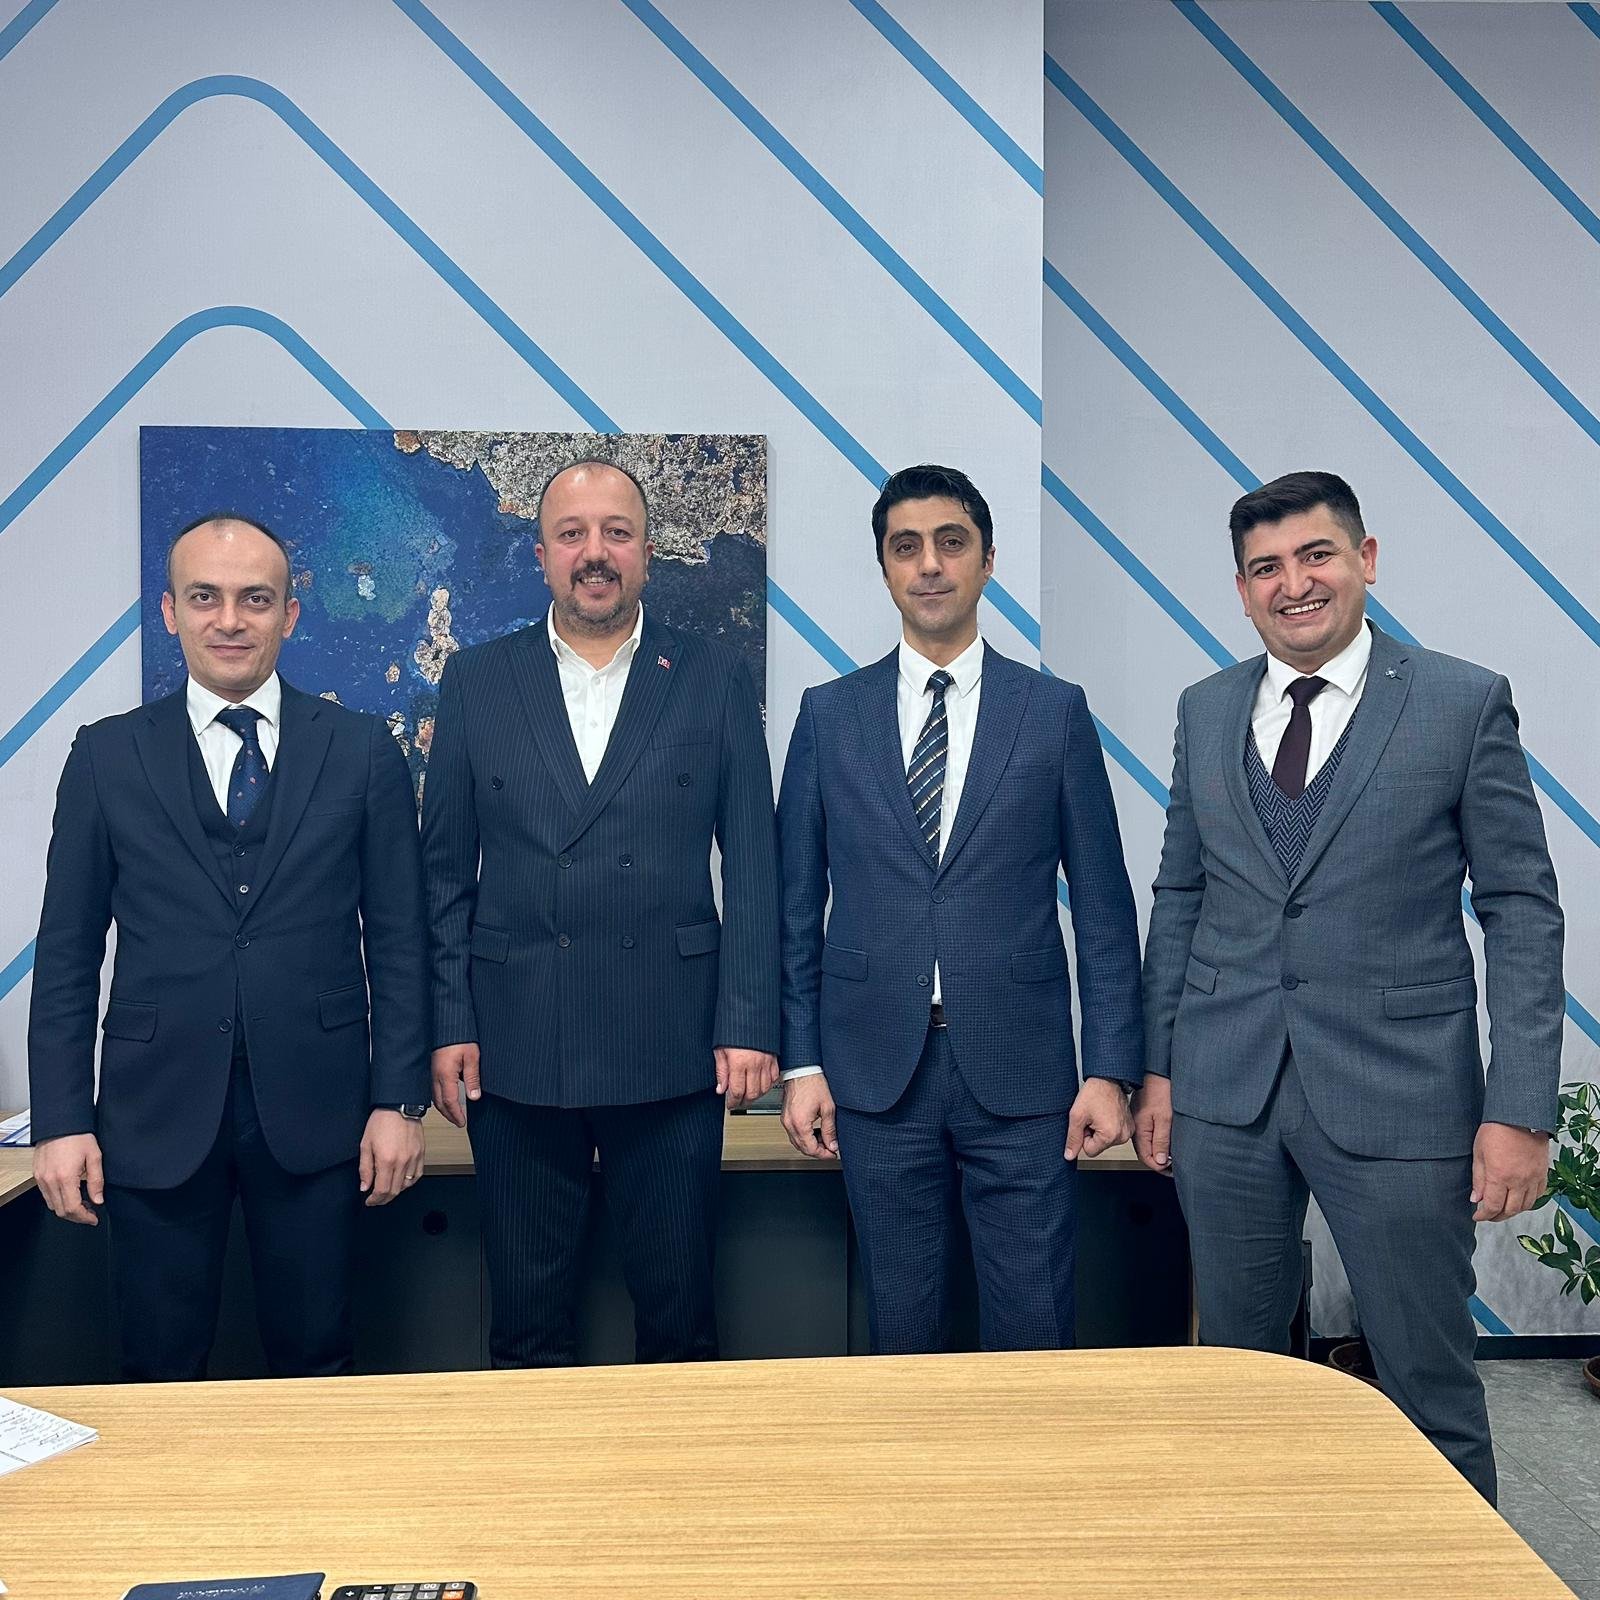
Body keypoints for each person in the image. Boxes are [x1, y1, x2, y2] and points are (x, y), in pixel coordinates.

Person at [1136, 470, 1564, 1502]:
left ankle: (1453, 1571)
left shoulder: (1462, 702)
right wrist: (1159, 1071)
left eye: (1316, 555)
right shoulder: (1205, 707)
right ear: (1242, 590)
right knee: (1239, 1380)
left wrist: (1518, 1108)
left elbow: (1521, 909)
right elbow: (1181, 896)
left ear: (1365, 560)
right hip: (1225, 1095)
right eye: (1265, 568)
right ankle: (1264, 1559)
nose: (1294, 584)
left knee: (1425, 1381)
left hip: (1402, 1091)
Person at [29, 513, 430, 1381]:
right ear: (169, 612)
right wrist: (61, 1121)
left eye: (255, 599)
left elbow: (403, 944)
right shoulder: (105, 756)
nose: (230, 620)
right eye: (205, 597)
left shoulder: (362, 752)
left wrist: (399, 1103)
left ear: (290, 614)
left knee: (317, 1363)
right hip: (154, 1114)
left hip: (320, 1114)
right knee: (157, 1369)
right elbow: (65, 956)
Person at [777, 463, 1143, 1352]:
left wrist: (1111, 1069)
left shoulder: (1053, 713)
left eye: (951, 543)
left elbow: (1104, 910)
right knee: (902, 1331)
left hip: (1024, 1073)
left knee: (1034, 1327)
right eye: (907, 548)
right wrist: (802, 1063)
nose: (930, 564)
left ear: (987, 561)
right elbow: (794, 909)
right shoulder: (829, 716)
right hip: (873, 1073)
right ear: (885, 568)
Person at [422, 458, 779, 1367]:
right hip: (515, 1048)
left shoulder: (714, 676)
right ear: (541, 554)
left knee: (679, 1321)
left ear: (648, 553)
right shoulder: (476, 679)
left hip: (672, 1042)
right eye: (572, 534)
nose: (595, 552)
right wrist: (450, 1021)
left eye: (616, 533)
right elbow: (443, 876)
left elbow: (755, 864)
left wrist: (747, 1022)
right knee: (525, 1326)